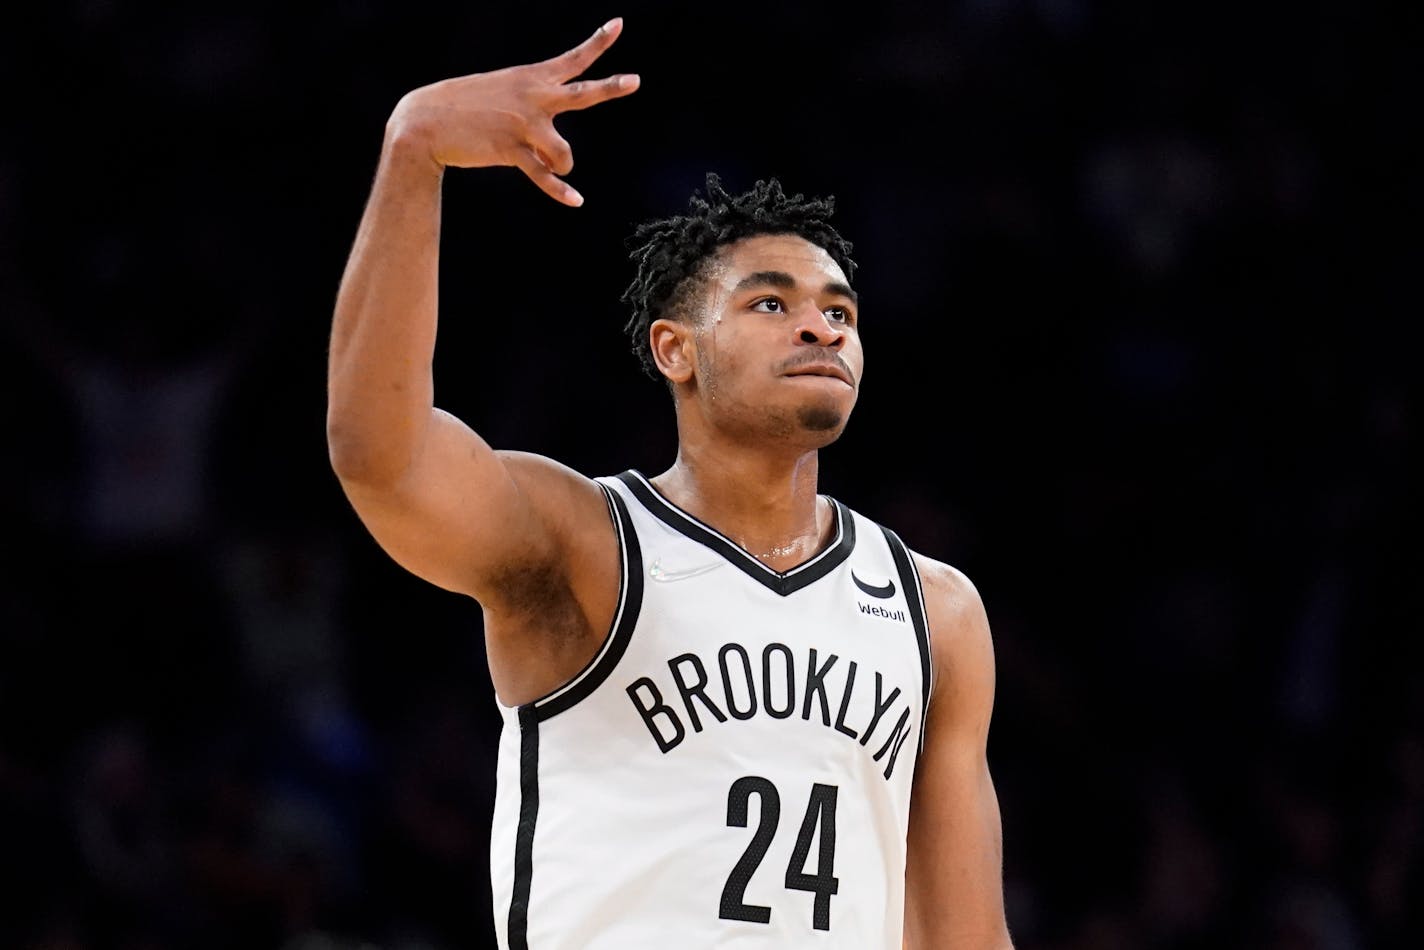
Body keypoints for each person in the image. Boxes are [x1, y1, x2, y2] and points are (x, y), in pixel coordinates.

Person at [326, 16, 1014, 950]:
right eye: (771, 302)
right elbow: (380, 455)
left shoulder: (938, 612)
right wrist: (414, 153)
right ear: (674, 349)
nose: (821, 328)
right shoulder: (586, 544)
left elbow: (967, 938)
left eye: (839, 310)